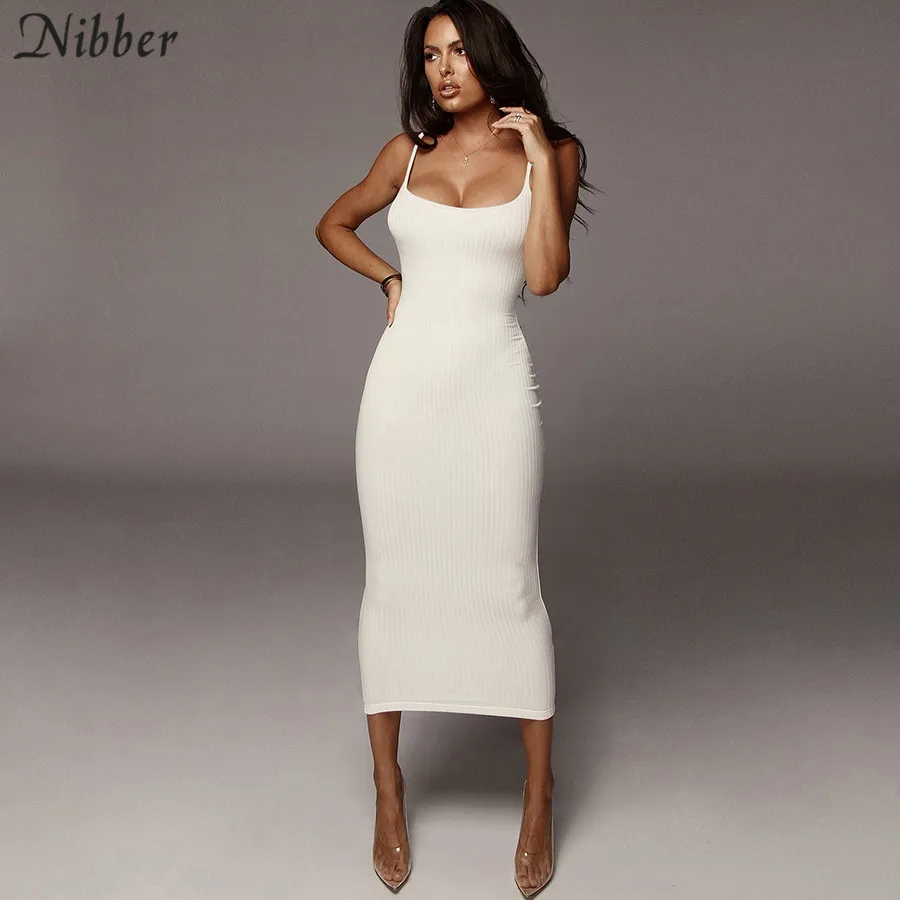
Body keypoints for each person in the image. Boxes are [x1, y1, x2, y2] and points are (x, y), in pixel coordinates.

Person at [315, 1, 594, 894]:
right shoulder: (406, 155)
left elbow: (545, 278)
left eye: (460, 51)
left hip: (493, 394)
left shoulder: (553, 152)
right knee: (393, 581)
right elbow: (333, 223)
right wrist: (389, 276)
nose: (443, 69)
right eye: (431, 54)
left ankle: (538, 795)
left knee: (510, 585)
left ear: (491, 58)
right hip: (400, 399)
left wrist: (539, 157)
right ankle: (388, 790)